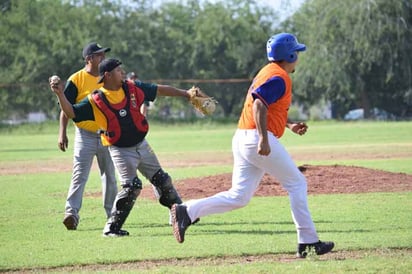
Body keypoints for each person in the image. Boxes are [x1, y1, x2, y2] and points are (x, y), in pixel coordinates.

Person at [170, 33, 335, 258]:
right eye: (296, 53)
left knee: (240, 196)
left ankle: (187, 210)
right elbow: (258, 105)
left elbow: (268, 107)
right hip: (256, 137)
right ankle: (308, 241)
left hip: (242, 137)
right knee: (297, 183)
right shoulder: (279, 77)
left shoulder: (268, 72)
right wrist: (263, 139)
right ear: (290, 54)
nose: (298, 57)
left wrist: (289, 125)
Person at [50, 58, 192, 237]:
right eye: (118, 71)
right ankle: (111, 228)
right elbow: (71, 112)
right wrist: (60, 94)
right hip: (120, 149)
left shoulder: (132, 87)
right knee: (132, 187)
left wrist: (186, 93)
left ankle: (180, 214)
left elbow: (159, 89)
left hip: (142, 144)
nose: (122, 73)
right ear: (108, 75)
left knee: (162, 180)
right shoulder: (96, 99)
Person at [58, 42, 118, 230]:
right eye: (99, 55)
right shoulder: (76, 79)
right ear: (89, 59)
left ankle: (113, 216)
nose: (103, 58)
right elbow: (65, 108)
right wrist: (62, 133)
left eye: (103, 55)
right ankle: (71, 213)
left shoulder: (107, 77)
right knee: (79, 175)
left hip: (106, 135)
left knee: (109, 176)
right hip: (84, 135)